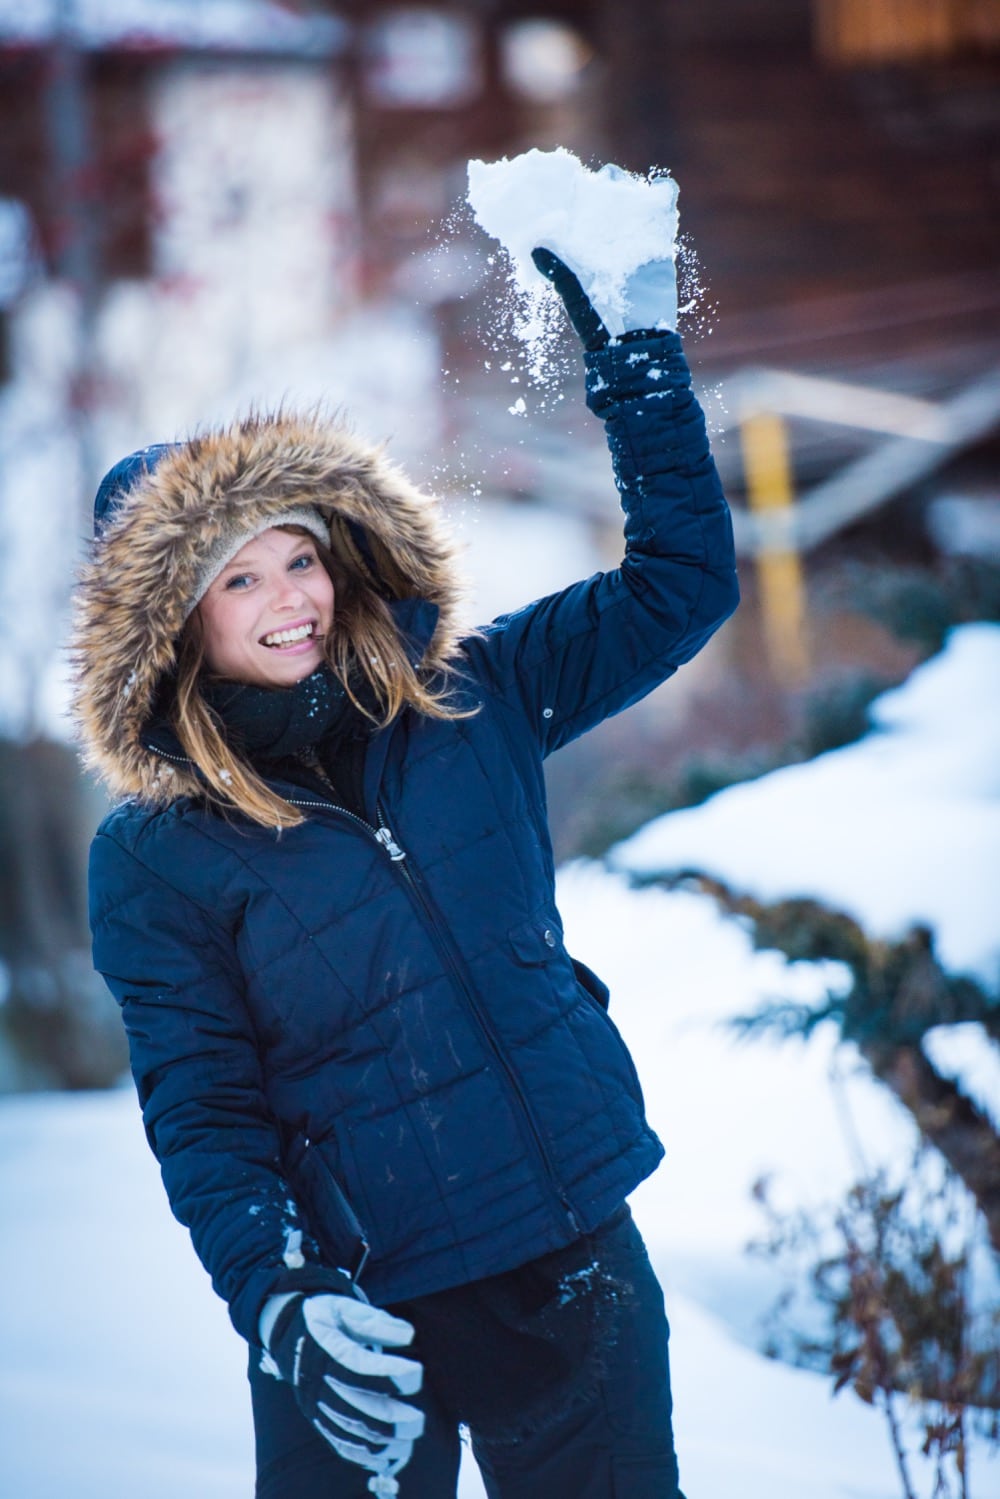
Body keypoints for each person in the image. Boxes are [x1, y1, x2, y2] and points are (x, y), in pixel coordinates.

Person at [72, 237, 738, 1498]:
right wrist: (278, 1298)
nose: (290, 597)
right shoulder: (155, 857)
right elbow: (203, 1109)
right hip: (359, 1320)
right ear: (175, 618)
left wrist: (639, 370)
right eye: (238, 575)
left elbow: (679, 587)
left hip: (570, 1261)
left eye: (301, 554)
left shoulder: (471, 698)